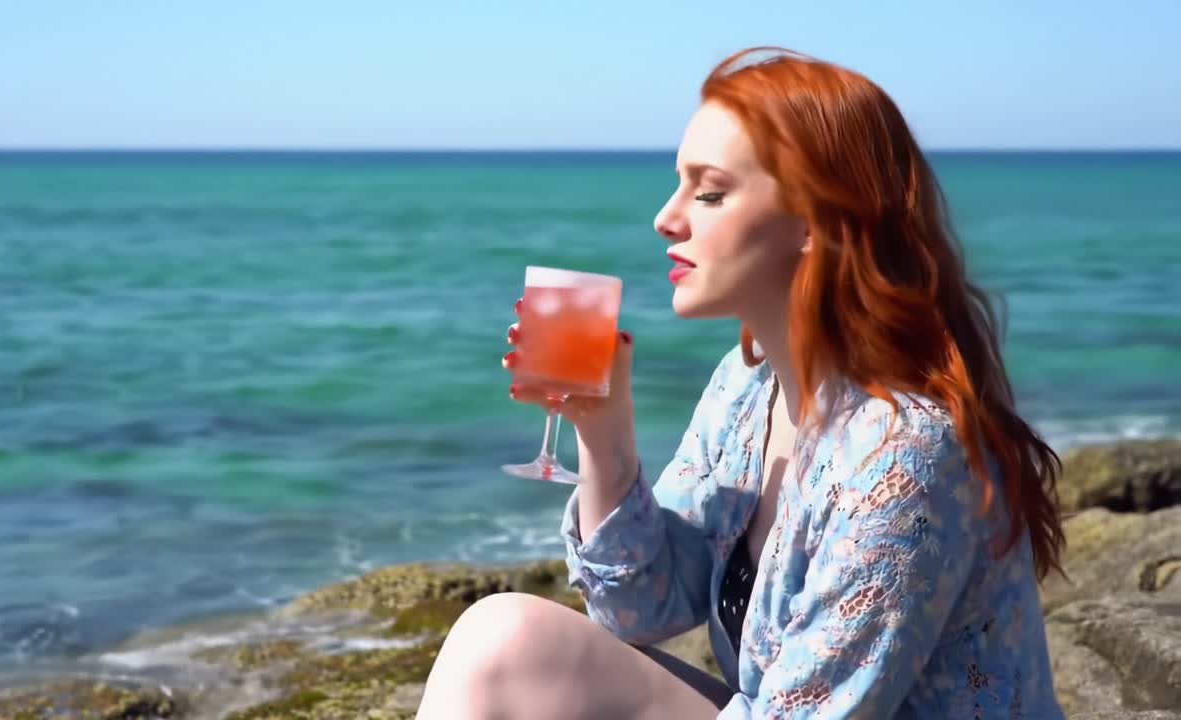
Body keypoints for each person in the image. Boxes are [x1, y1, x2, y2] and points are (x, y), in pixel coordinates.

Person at [416, 46, 1066, 719]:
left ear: (815, 223)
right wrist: (603, 433)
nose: (667, 219)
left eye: (709, 192)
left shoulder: (901, 457)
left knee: (503, 645)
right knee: (506, 640)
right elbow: (640, 607)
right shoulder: (748, 389)